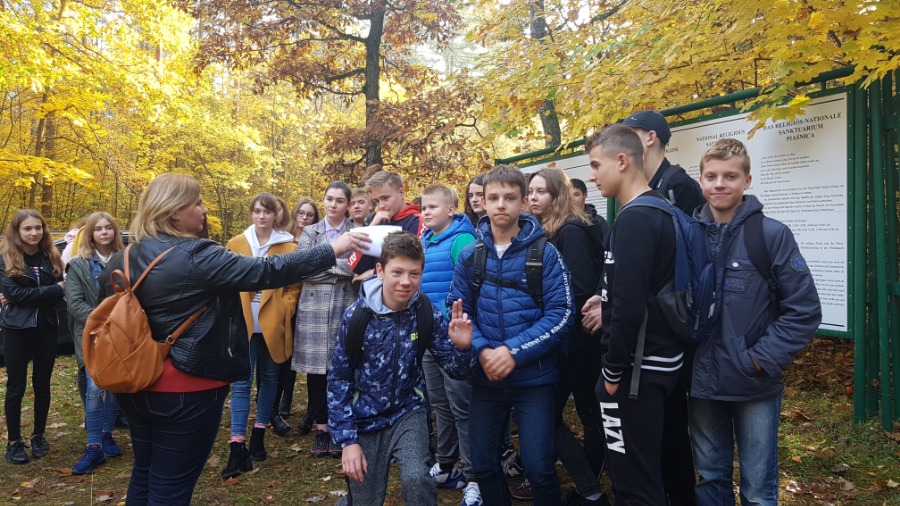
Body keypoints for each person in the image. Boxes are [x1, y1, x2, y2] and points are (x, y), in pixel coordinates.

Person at [100, 173, 368, 505]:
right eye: (197, 202)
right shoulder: (199, 254)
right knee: (170, 488)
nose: (203, 209)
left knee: (145, 472)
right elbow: (265, 271)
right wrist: (332, 250)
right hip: (185, 389)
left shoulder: (124, 257)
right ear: (174, 211)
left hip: (134, 385)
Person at [691, 139, 821, 505]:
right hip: (700, 383)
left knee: (758, 486)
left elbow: (804, 309)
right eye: (711, 176)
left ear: (747, 180)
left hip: (752, 382)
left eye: (730, 176)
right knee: (708, 476)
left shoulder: (771, 235)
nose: (720, 184)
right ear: (701, 181)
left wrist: (760, 359)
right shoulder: (687, 234)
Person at [448, 165, 573, 506]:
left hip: (535, 380)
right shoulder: (470, 256)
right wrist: (482, 350)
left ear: (524, 201)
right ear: (483, 203)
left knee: (539, 467)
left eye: (509, 197)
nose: (501, 204)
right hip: (485, 378)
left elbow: (561, 313)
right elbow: (458, 311)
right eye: (493, 198)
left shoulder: (545, 254)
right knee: (484, 465)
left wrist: (512, 352)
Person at [328, 231, 476, 506]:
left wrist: (463, 348)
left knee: (417, 480)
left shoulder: (425, 312)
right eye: (397, 272)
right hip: (365, 418)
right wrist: (347, 441)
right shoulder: (356, 317)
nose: (406, 281)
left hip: (409, 411)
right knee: (365, 500)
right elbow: (339, 379)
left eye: (414, 274)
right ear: (380, 271)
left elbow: (456, 370)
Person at [585, 124, 686, 504]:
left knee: (633, 482)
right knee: (650, 470)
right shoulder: (661, 209)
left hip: (635, 371)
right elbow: (641, 287)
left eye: (596, 165)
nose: (592, 175)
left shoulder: (635, 219)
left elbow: (629, 307)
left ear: (622, 161)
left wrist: (611, 373)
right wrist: (604, 298)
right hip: (659, 361)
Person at [621, 109, 705, 504]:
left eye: (631, 132)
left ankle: (679, 493)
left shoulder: (678, 186)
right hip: (652, 326)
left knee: (673, 421)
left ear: (650, 137)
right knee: (659, 422)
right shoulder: (648, 188)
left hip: (672, 324)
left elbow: (681, 261)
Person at [527, 169, 609, 506]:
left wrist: (544, 317)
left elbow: (580, 289)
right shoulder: (547, 231)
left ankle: (591, 491)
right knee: (547, 416)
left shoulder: (570, 231)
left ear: (557, 195)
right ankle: (590, 488)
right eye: (531, 191)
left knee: (590, 417)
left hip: (579, 342)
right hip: (561, 342)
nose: (533, 197)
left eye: (541, 192)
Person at [221, 193, 302, 478]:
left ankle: (259, 433)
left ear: (276, 214)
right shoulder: (236, 244)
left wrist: (285, 308)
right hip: (243, 323)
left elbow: (295, 286)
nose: (262, 216)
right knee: (241, 383)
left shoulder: (288, 246)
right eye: (257, 211)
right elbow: (226, 280)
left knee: (269, 378)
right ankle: (236, 443)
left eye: (267, 211)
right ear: (251, 213)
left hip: (272, 323)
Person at [419, 185, 480, 503]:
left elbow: (473, 288)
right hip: (429, 335)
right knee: (439, 403)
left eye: (432, 207)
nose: (425, 212)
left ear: (452, 209)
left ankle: (475, 476)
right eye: (423, 208)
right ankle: (446, 464)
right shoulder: (425, 240)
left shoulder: (462, 240)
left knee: (462, 407)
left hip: (454, 338)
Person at [293, 182, 358, 458]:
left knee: (341, 368)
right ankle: (322, 428)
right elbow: (302, 268)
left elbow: (357, 267)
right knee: (316, 371)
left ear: (347, 205)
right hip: (314, 308)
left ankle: (341, 425)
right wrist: (338, 267)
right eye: (329, 199)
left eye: (339, 200)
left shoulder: (356, 231)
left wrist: (322, 264)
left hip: (345, 304)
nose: (333, 204)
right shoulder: (310, 231)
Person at [0, 209, 66, 465]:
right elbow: (15, 294)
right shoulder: (5, 257)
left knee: (42, 384)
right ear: (17, 231)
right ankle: (14, 441)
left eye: (38, 227)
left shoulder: (51, 255)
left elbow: (61, 294)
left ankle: (39, 436)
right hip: (17, 329)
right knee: (16, 386)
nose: (34, 232)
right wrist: (53, 289)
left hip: (46, 328)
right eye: (28, 228)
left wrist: (26, 295)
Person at [66, 212, 126, 474]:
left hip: (121, 334)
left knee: (112, 387)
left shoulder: (125, 260)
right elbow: (74, 302)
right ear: (90, 233)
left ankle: (106, 434)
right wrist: (102, 322)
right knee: (94, 389)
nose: (104, 232)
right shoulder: (78, 265)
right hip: (91, 335)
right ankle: (93, 447)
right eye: (98, 229)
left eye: (108, 228)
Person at [274, 197, 319, 429]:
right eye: (301, 213)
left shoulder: (317, 239)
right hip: (287, 301)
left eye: (309, 214)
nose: (304, 218)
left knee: (311, 356)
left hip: (310, 302)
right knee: (285, 353)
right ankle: (284, 400)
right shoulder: (284, 238)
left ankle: (313, 407)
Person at [350, 170, 424, 278]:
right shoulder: (379, 220)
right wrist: (371, 227)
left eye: (385, 198)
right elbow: (356, 266)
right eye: (376, 201)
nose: (381, 205)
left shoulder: (417, 221)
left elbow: (412, 263)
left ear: (401, 193)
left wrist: (374, 273)